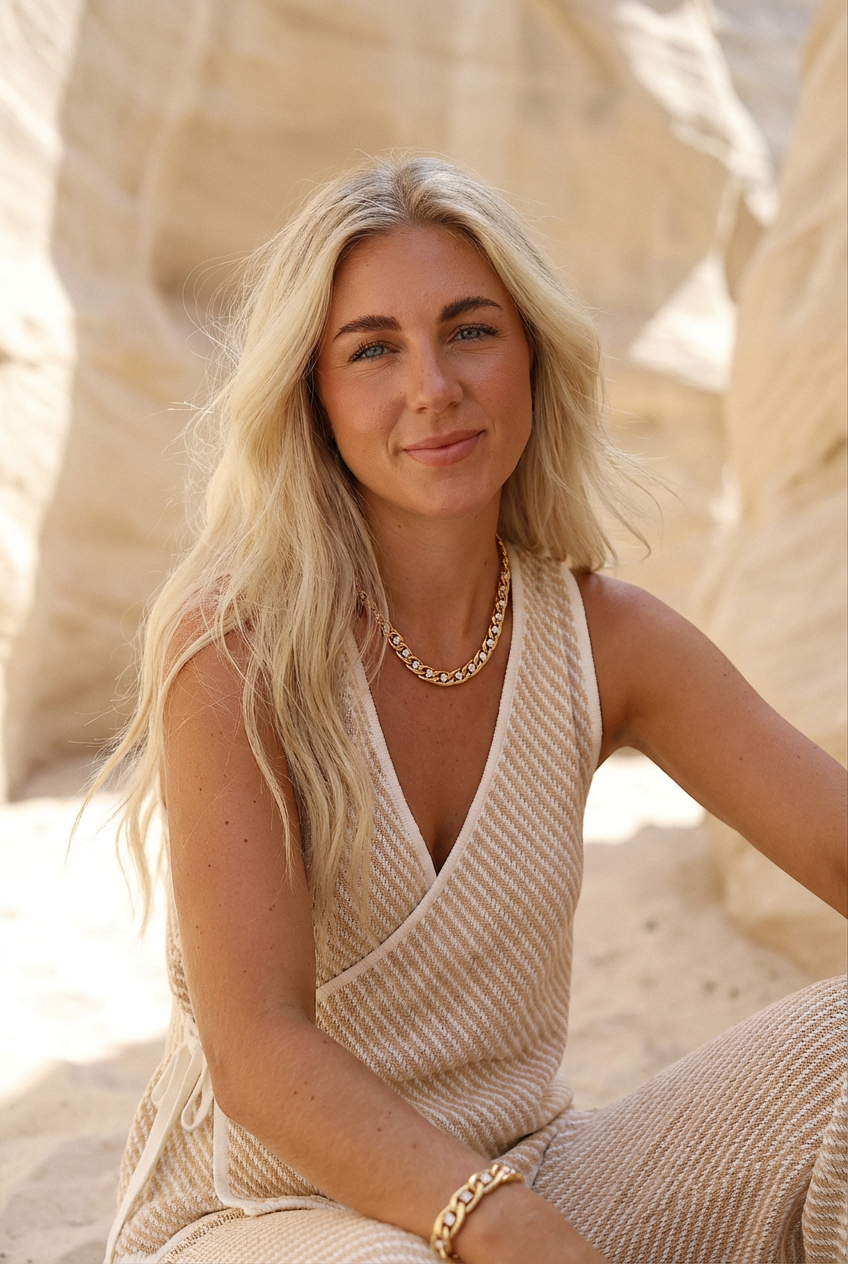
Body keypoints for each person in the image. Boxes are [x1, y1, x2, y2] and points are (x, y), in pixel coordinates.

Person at [102, 156, 846, 1264]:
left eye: (468, 331)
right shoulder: (232, 649)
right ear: (313, 395)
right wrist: (501, 1228)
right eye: (371, 349)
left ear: (531, 356)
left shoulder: (606, 640)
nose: (431, 387)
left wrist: (515, 1216)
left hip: (530, 1172)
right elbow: (255, 1053)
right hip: (260, 1216)